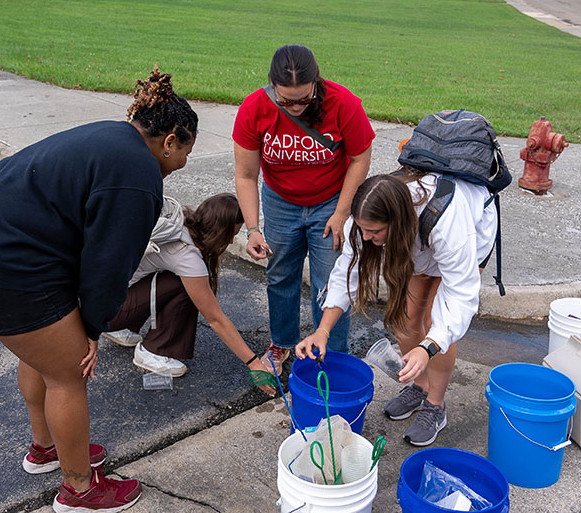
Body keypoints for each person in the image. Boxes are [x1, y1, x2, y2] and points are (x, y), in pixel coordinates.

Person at [0, 67, 198, 513]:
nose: (184, 162)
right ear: (170, 140)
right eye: (185, 151)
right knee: (68, 371)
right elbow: (108, 265)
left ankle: (47, 448)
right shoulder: (138, 174)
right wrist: (91, 328)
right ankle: (79, 490)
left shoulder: (111, 137)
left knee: (40, 354)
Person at [295, 170, 498, 447]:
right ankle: (420, 387)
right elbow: (347, 272)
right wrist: (322, 330)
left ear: (398, 221)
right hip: (416, 241)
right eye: (363, 230)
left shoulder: (448, 224)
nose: (366, 238)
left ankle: (435, 406)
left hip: (469, 233)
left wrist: (427, 347)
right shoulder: (367, 216)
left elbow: (460, 297)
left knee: (434, 321)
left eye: (375, 232)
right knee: (404, 319)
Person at [233, 44, 374, 372]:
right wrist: (253, 228)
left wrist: (342, 213)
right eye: (286, 100)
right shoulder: (255, 108)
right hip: (280, 202)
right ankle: (282, 344)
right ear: (272, 86)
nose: (295, 107)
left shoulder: (343, 104)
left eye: (304, 99)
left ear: (316, 83)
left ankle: (331, 354)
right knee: (280, 274)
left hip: (330, 203)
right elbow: (245, 174)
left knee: (331, 282)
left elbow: (359, 159)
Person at [103, 193, 277, 394]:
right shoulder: (186, 255)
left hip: (100, 299)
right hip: (107, 311)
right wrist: (254, 363)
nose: (230, 242)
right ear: (218, 230)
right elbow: (216, 319)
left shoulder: (183, 221)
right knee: (187, 286)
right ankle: (152, 351)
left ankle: (117, 326)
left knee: (182, 280)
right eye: (230, 234)